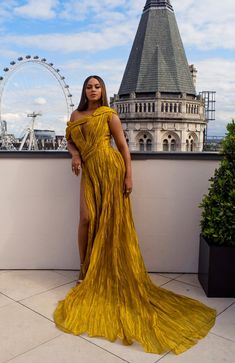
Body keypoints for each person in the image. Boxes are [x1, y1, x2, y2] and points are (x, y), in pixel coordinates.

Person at [53, 75, 216, 354]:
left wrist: (129, 177)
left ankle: (101, 270)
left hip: (112, 169)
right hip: (90, 172)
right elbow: (70, 138)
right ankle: (85, 269)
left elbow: (124, 147)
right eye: (88, 86)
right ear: (84, 91)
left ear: (102, 90)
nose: (93, 90)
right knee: (87, 219)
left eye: (97, 86)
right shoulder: (76, 114)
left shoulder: (110, 114)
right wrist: (76, 156)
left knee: (110, 223)